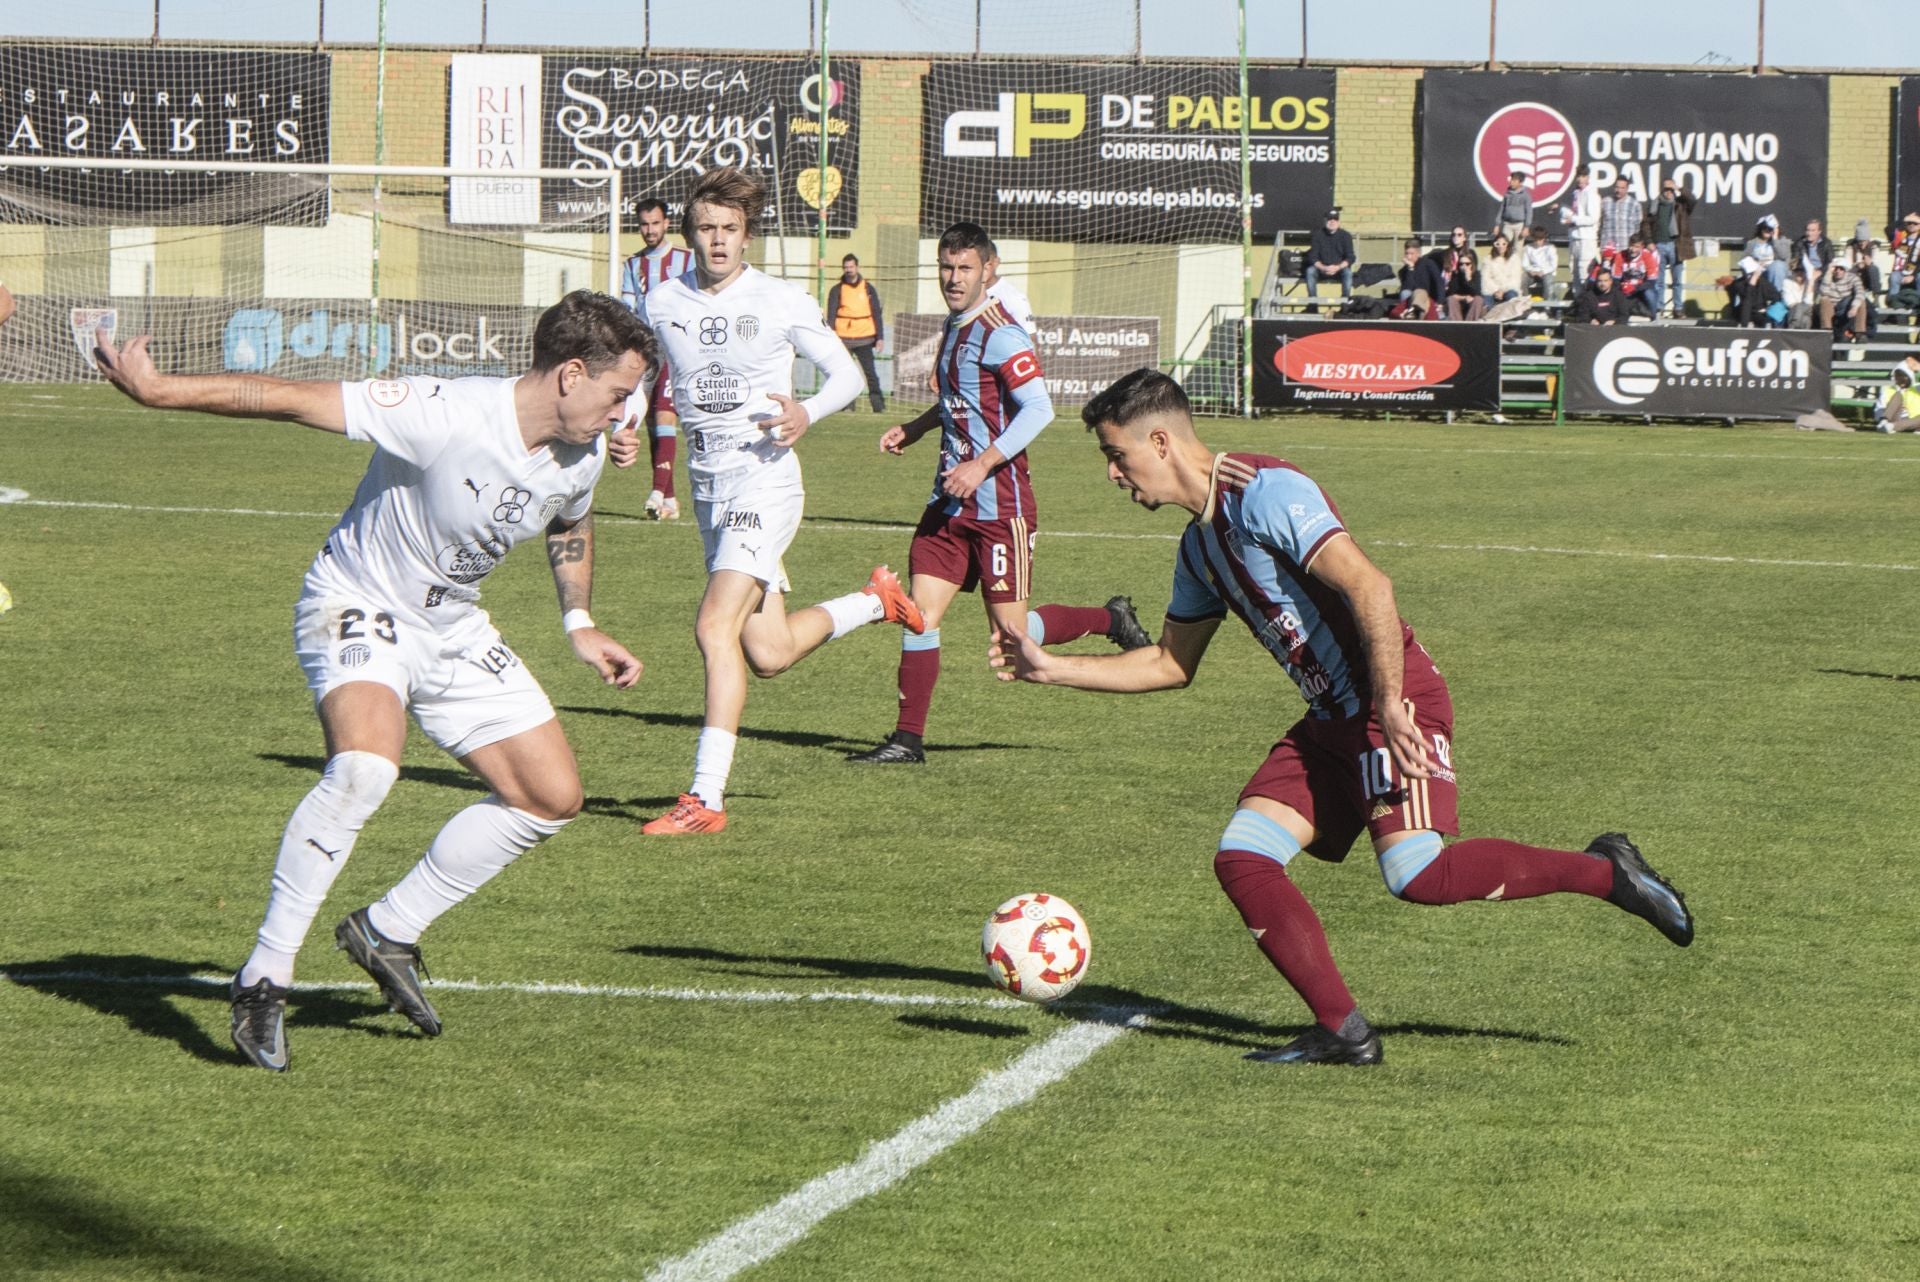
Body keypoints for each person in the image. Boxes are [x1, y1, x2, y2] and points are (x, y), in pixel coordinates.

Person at [989, 371, 1693, 1065]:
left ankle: (1607, 872)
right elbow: (1172, 663)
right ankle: (1345, 1033)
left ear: (1163, 442)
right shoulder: (1198, 550)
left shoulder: (1266, 492)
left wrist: (1388, 703)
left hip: (1392, 698)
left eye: (1117, 456)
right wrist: (1053, 669)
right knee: (1244, 858)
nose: (1114, 475)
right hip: (1329, 718)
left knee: (1418, 874)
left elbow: (1369, 585)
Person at [91, 291, 656, 1071]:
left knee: (551, 796)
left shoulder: (584, 452)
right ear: (569, 374)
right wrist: (160, 390)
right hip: (359, 601)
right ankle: (264, 977)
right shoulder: (444, 409)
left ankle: (387, 929)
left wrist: (579, 621)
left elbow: (569, 519)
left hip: (453, 625)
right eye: (619, 392)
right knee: (365, 768)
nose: (626, 412)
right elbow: (289, 399)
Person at [631, 168, 924, 836]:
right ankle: (876, 601)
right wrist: (623, 422)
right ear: (690, 235)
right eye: (706, 228)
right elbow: (642, 376)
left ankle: (705, 798)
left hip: (763, 482)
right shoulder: (661, 301)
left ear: (746, 234)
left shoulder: (779, 299)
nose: (718, 242)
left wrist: (808, 413)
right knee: (768, 652)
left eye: (730, 229)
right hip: (709, 488)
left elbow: (847, 374)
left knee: (713, 628)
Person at [845, 222, 1151, 765]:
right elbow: (960, 402)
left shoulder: (1000, 331)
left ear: (989, 269)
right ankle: (906, 740)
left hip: (999, 505)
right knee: (919, 614)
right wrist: (916, 430)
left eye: (965, 268)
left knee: (1008, 644)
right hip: (949, 503)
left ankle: (1111, 617)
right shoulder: (954, 325)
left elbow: (1040, 408)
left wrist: (982, 464)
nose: (953, 277)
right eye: (946, 266)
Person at [617, 198, 695, 522]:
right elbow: (628, 309)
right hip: (648, 352)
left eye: (655, 223)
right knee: (651, 424)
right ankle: (671, 500)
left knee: (665, 417)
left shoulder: (686, 260)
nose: (649, 230)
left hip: (678, 350)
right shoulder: (632, 266)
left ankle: (656, 492)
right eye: (644, 224)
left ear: (666, 223)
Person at [827, 253, 887, 413]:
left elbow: (876, 314)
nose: (849, 270)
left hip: (865, 339)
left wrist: (880, 338)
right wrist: (831, 336)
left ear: (857, 267)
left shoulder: (868, 289)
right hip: (843, 340)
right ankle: (846, 407)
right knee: (845, 375)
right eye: (846, 267)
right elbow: (831, 315)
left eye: (851, 267)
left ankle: (878, 406)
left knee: (871, 375)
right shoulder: (837, 290)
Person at [1639, 178, 1695, 316]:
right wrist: (1649, 241)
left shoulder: (1680, 205)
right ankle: (1659, 307)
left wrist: (1678, 188)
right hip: (1658, 246)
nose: (1669, 192)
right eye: (1666, 189)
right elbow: (1645, 224)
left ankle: (1678, 308)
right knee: (1659, 281)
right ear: (1661, 189)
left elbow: (1692, 200)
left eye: (1671, 190)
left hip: (1676, 246)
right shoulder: (1655, 204)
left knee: (1677, 280)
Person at [1303, 208, 1355, 312]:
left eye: (1335, 219)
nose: (1332, 222)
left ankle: (1345, 303)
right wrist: (1323, 267)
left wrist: (1338, 267)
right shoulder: (1317, 235)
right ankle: (1313, 303)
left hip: (1339, 269)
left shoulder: (1346, 236)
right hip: (1321, 269)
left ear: (1338, 222)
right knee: (1310, 271)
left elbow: (1351, 257)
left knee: (1348, 273)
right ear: (1325, 220)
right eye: (1329, 219)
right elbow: (1312, 256)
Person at [1559, 167, 1600, 287]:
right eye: (1578, 176)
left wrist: (1574, 219)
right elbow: (1575, 212)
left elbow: (1593, 218)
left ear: (1588, 178)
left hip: (1586, 238)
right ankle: (1578, 302)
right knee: (1574, 271)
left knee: (1584, 272)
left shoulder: (1591, 194)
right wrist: (1565, 214)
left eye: (1583, 176)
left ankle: (1587, 303)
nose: (1580, 179)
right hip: (1575, 237)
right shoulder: (1576, 193)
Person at [1727, 255, 1784, 329]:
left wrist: (1767, 308)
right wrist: (1752, 281)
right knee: (1746, 311)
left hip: (1761, 312)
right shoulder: (1738, 284)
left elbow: (1775, 296)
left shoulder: (1763, 282)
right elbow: (1747, 298)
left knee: (1766, 320)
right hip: (1743, 312)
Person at [1816, 261, 1870, 339]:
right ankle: (1827, 331)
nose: (1838, 271)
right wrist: (1828, 274)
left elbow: (1860, 292)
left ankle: (1860, 333)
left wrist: (1854, 307)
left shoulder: (1853, 277)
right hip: (1833, 306)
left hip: (1848, 306)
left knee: (1861, 301)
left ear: (1845, 270)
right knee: (1824, 299)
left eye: (1841, 269)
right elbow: (1823, 292)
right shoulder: (1827, 277)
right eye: (1836, 268)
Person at [1598, 176, 1642, 266]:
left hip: (1625, 250)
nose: (1619, 190)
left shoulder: (1634, 204)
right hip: (1608, 250)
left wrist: (1633, 247)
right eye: (1617, 187)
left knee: (1624, 278)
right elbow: (1600, 225)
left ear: (1627, 189)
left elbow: (1637, 228)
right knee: (1606, 276)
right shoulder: (1605, 202)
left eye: (1622, 188)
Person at [1567, 265, 1633, 324]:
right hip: (1594, 330)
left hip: (1614, 329)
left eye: (1605, 281)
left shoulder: (1618, 296)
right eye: (1600, 281)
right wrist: (1590, 321)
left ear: (1610, 281)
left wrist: (1615, 321)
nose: (1602, 284)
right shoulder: (1589, 296)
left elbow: (1624, 316)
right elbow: (1582, 316)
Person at [1789, 219, 1835, 298]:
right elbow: (1796, 261)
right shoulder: (1799, 243)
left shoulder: (1826, 243)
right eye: (1808, 230)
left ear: (1819, 231)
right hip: (1805, 271)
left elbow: (1830, 261)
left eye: (1813, 230)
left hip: (1821, 271)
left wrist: (1820, 271)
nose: (1809, 233)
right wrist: (1808, 270)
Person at [1480, 233, 1522, 309]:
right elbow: (1485, 278)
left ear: (1507, 245)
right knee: (1486, 304)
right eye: (1497, 244)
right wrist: (1496, 290)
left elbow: (1515, 279)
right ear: (1494, 245)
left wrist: (1502, 290)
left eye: (1503, 244)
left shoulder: (1515, 259)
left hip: (1509, 289)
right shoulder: (1487, 259)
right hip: (1491, 291)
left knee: (1511, 297)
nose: (1501, 246)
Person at [1873, 365, 1920, 433]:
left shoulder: (1916, 388)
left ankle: (1891, 426)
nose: (1902, 378)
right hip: (1894, 417)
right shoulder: (1887, 389)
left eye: (1904, 375)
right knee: (1898, 395)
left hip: (1914, 419)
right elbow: (1879, 409)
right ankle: (1884, 423)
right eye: (1898, 375)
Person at [1445, 249, 1484, 320]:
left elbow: (1477, 292)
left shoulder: (1476, 274)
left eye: (1467, 264)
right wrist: (1464, 298)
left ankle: (1470, 325)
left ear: (1472, 264)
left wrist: (1468, 279)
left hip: (1472, 303)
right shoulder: (1456, 275)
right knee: (1451, 300)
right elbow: (1451, 293)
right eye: (1461, 264)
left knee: (1478, 299)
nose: (1464, 266)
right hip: (1459, 301)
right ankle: (1457, 325)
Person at [1493, 171, 1532, 244]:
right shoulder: (1507, 194)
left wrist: (1526, 227)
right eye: (1511, 180)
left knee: (1518, 248)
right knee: (1504, 244)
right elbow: (1501, 209)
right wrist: (1497, 225)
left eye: (1514, 180)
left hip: (1519, 225)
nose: (1511, 182)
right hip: (1507, 224)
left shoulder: (1526, 195)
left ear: (1520, 182)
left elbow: (1529, 212)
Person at [1521, 225, 1558, 300]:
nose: (1538, 241)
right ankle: (1524, 302)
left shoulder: (1550, 248)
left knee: (1548, 283)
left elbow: (1553, 265)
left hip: (1546, 272)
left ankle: (1547, 305)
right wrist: (1531, 271)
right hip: (1532, 272)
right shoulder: (1528, 247)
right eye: (1536, 239)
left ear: (1544, 238)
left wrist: (1543, 272)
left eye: (1540, 239)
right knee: (1522, 280)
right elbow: (1525, 263)